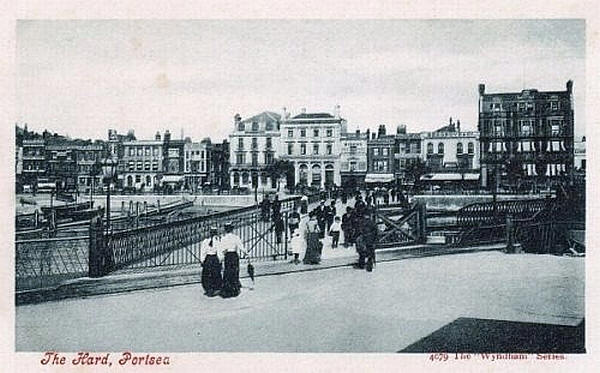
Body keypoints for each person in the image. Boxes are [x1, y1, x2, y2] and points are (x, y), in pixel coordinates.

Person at [219, 222, 248, 298]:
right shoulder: (235, 237)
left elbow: (221, 249)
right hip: (234, 255)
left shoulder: (223, 238)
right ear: (232, 229)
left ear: (225, 229)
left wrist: (221, 258)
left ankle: (227, 289)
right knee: (235, 271)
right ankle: (234, 289)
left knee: (227, 271)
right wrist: (246, 253)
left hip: (227, 256)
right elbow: (241, 246)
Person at [200, 227, 223, 297]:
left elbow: (203, 252)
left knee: (207, 274)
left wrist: (202, 260)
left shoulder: (205, 241)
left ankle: (208, 289)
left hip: (208, 259)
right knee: (215, 274)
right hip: (214, 259)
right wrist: (220, 260)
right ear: (216, 233)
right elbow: (219, 252)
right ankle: (215, 288)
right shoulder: (218, 241)